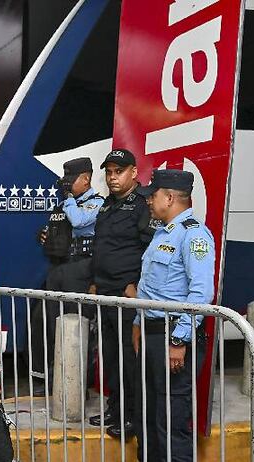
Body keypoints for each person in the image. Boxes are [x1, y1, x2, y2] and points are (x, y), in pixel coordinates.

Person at [112, 169, 215, 462]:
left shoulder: (194, 237)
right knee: (147, 415)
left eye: (153, 196)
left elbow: (200, 296)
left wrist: (179, 341)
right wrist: (140, 323)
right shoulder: (163, 234)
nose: (149, 201)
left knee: (172, 426)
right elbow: (153, 290)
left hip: (174, 339)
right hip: (153, 335)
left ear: (169, 198)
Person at [90, 149, 153, 441]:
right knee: (111, 356)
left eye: (119, 172)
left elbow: (149, 250)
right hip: (104, 291)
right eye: (110, 172)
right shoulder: (106, 205)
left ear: (133, 173)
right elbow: (101, 247)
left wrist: (135, 283)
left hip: (126, 295)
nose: (113, 177)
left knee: (129, 359)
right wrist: (94, 281)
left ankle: (131, 416)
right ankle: (115, 408)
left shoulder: (142, 206)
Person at [31, 157, 104, 391]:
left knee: (76, 325)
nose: (66, 186)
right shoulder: (64, 204)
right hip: (58, 266)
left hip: (81, 269)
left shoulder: (96, 202)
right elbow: (58, 229)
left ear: (86, 179)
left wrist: (70, 199)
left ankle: (78, 381)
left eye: (71, 181)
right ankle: (54, 378)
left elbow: (79, 221)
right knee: (52, 324)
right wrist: (45, 235)